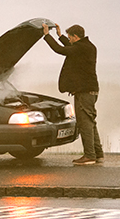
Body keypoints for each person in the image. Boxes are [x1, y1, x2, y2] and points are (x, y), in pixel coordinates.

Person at [42, 22, 103, 166]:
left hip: (84, 92)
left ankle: (89, 156)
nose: (69, 40)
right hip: (90, 91)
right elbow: (70, 48)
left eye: (70, 37)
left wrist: (46, 35)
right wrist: (60, 35)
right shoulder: (88, 46)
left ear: (75, 37)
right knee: (90, 123)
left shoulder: (81, 48)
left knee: (84, 124)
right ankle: (98, 154)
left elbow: (60, 50)